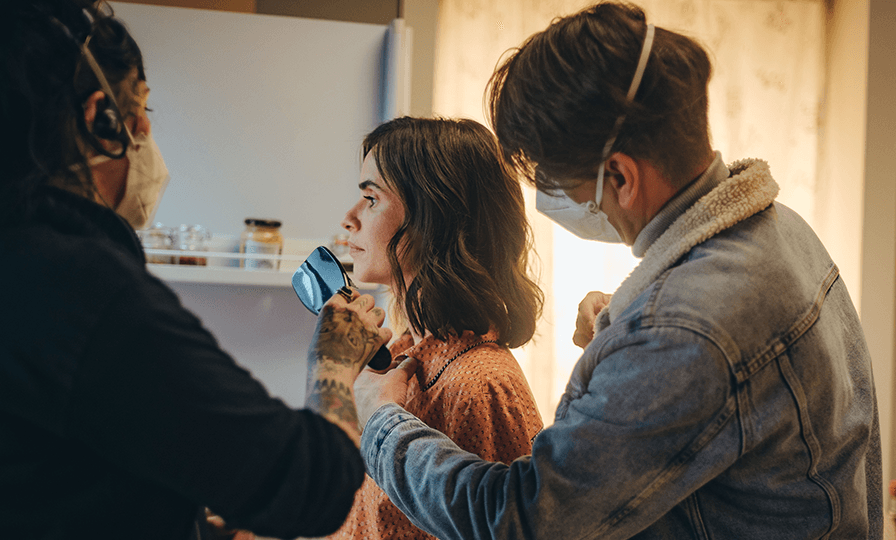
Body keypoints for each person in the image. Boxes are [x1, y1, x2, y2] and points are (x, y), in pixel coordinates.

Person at [352, 2, 883, 538]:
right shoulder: (783, 230)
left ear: (620, 176)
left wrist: (384, 426)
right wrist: (629, 326)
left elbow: (521, 521)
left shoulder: (679, 327)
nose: (550, 201)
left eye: (558, 183)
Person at [0, 1, 390, 539]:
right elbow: (309, 487)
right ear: (100, 117)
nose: (149, 131)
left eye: (372, 197)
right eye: (144, 110)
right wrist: (335, 362)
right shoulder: (84, 291)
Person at [324, 116, 544, 539]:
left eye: (371, 200)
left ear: (432, 217)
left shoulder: (483, 383)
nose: (348, 219)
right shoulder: (400, 355)